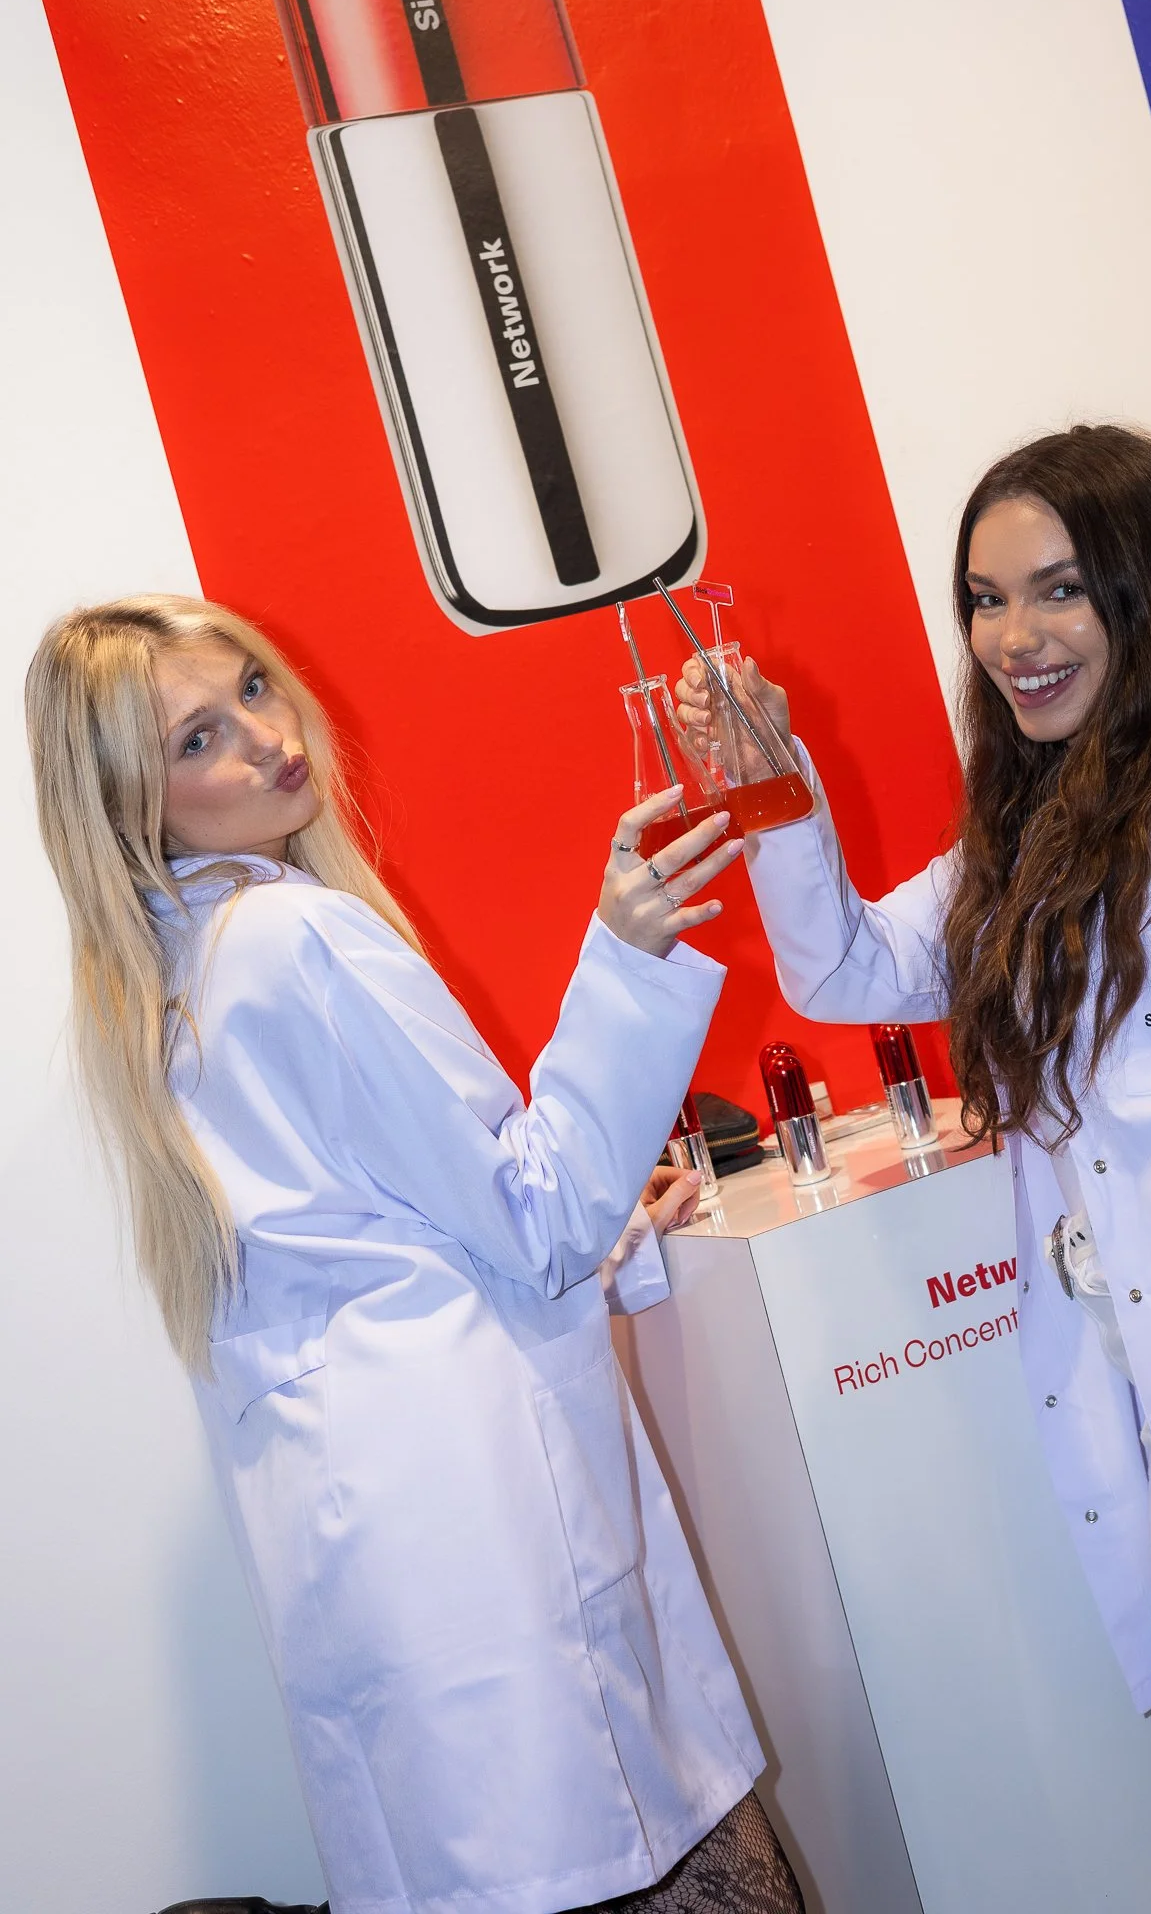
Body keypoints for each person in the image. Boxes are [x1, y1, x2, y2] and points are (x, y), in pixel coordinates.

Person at [27, 596, 805, 1914]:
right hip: (491, 1543)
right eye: (201, 738)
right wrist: (623, 954)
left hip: (385, 1570)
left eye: (256, 691)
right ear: (129, 806)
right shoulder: (293, 938)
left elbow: (376, 1243)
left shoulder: (162, 984)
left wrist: (609, 1225)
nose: (269, 742)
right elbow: (529, 1221)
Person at [678, 425, 1151, 1912]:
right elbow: (850, 968)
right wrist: (778, 795)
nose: (1014, 638)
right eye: (984, 600)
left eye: (1058, 590)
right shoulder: (1027, 839)